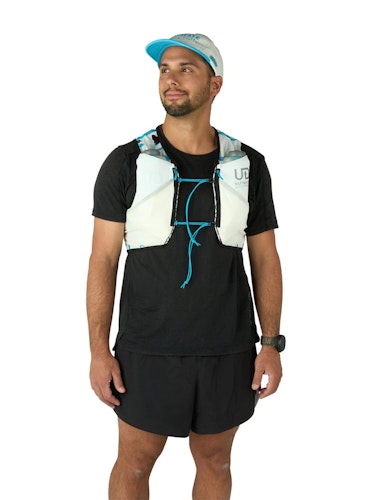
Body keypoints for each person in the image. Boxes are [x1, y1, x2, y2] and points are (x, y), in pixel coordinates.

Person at [87, 33, 284, 500]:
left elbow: (265, 257)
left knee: (216, 460)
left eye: (186, 69)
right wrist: (98, 351)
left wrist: (271, 343)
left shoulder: (248, 164)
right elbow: (103, 260)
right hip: (146, 348)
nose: (171, 79)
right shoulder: (126, 162)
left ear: (215, 85)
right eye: (164, 69)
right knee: (135, 462)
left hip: (228, 348)